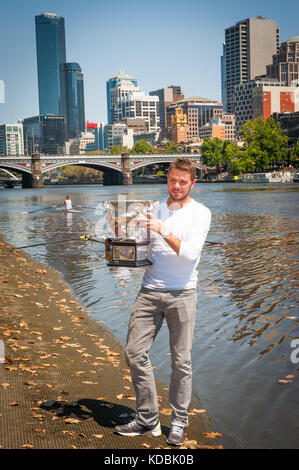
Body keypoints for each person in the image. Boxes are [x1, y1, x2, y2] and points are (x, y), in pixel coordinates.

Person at [114, 157, 211, 446]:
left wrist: (161, 229)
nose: (177, 186)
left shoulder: (201, 213)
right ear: (166, 179)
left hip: (183, 293)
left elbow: (191, 254)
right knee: (133, 352)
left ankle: (179, 421)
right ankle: (148, 420)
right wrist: (120, 231)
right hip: (149, 290)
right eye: (172, 180)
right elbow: (135, 251)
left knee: (181, 361)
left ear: (193, 183)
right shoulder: (153, 208)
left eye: (183, 181)